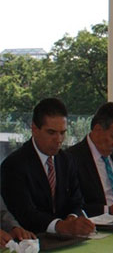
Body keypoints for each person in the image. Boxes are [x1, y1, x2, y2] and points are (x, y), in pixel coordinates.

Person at [0, 98, 94, 235]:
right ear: (34, 129)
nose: (58, 140)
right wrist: (60, 226)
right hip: (33, 239)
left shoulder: (66, 160)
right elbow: (25, 213)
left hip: (67, 238)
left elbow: (77, 201)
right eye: (51, 132)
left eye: (62, 133)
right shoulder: (14, 165)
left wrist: (72, 218)